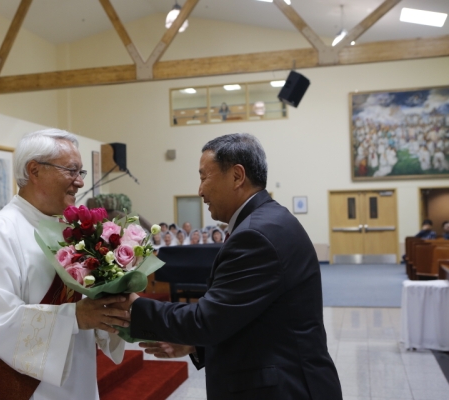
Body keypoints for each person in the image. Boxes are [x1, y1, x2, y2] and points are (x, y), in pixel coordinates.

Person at [111, 133, 342, 399]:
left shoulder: (256, 235)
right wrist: (197, 346)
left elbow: (207, 320)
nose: (200, 191)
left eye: (204, 177)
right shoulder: (266, 220)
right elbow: (248, 318)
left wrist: (135, 306)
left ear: (237, 176)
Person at [0, 129, 129, 400]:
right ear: (34, 170)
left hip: (78, 377)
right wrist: (75, 317)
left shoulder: (73, 231)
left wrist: (109, 309)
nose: (79, 182)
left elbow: (87, 302)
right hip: (21, 387)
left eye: (81, 172)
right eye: (71, 171)